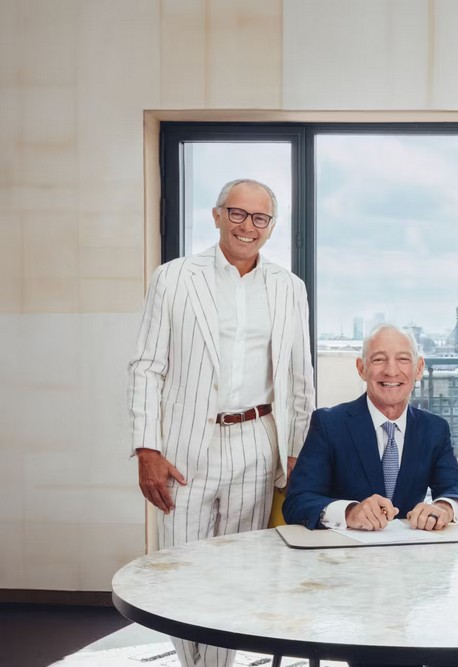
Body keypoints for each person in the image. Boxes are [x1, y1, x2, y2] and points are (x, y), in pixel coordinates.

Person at [127, 178, 316, 667]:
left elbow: (300, 380)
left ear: (271, 227)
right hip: (185, 448)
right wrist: (147, 448)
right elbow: (147, 366)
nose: (247, 227)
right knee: (181, 569)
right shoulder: (173, 278)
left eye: (259, 218)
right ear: (216, 216)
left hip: (257, 442)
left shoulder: (289, 289)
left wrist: (298, 454)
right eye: (237, 214)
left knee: (237, 572)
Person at [283, 324, 458, 532]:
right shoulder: (329, 424)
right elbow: (297, 502)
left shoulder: (434, 429)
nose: (391, 371)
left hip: (410, 557)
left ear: (419, 369)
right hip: (342, 557)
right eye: (379, 359)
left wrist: (443, 507)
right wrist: (348, 512)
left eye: (402, 359)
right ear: (361, 368)